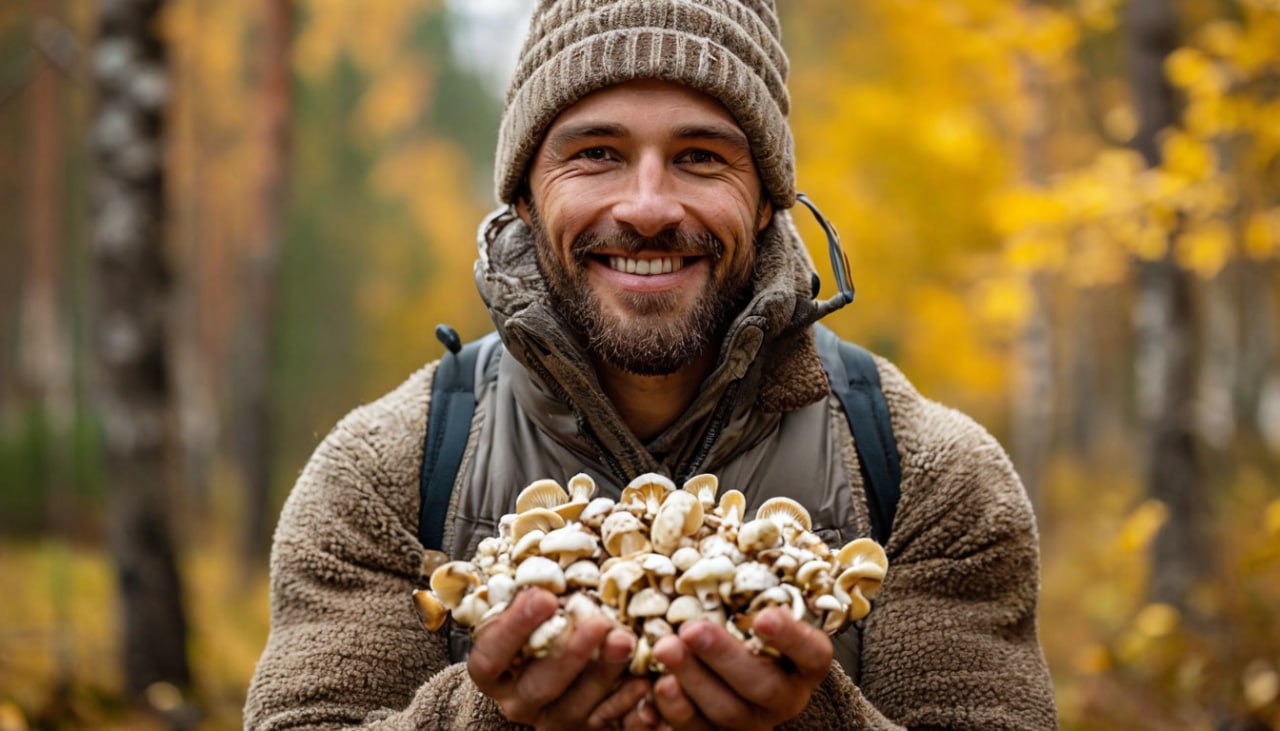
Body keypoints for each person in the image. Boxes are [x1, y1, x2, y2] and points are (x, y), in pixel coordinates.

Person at [244, 1, 1058, 729]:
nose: (647, 206)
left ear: (768, 196)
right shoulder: (382, 474)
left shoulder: (927, 475)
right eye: (596, 153)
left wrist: (807, 715)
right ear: (525, 193)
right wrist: (485, 713)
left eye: (701, 156)